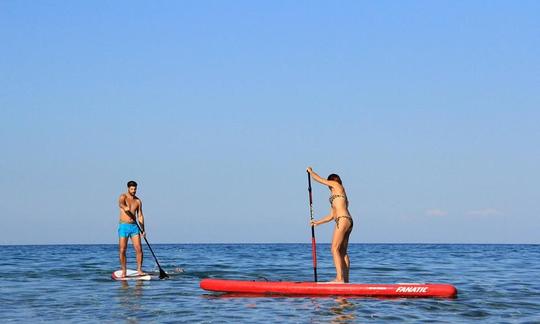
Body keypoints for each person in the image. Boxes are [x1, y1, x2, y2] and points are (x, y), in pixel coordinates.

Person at [307, 167, 353, 283]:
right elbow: (332, 215)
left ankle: (339, 278)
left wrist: (311, 172)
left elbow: (320, 180)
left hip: (342, 220)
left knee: (334, 249)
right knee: (342, 252)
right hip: (348, 221)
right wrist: (317, 222)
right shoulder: (336, 196)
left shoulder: (337, 185)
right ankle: (346, 281)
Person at [118, 180, 146, 277]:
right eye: (132, 189)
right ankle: (124, 271)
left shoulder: (138, 201)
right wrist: (125, 207)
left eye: (135, 189)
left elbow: (140, 216)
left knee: (139, 249)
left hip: (134, 227)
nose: (134, 191)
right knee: (122, 250)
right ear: (128, 188)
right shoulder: (123, 197)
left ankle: (139, 270)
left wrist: (143, 229)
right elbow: (121, 204)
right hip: (124, 226)